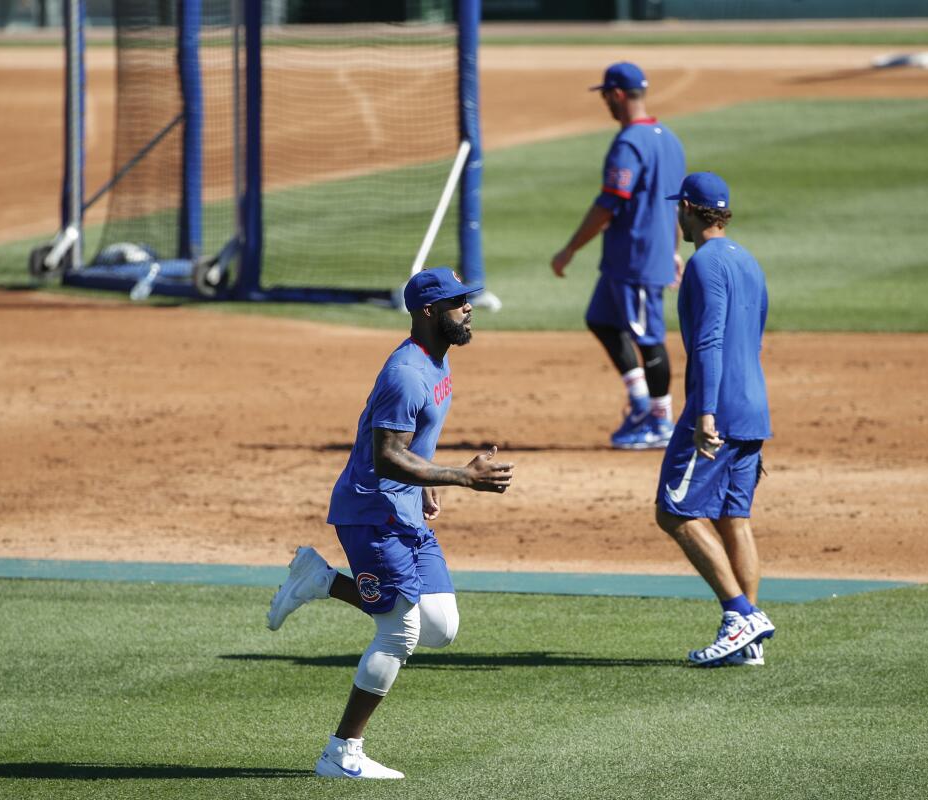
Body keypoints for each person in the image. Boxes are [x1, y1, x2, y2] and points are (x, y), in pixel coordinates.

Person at [264, 267, 515, 779]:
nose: (468, 308)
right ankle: (342, 751)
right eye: (457, 303)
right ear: (428, 312)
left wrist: (422, 483)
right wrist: (459, 478)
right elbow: (384, 457)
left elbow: (408, 444)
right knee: (399, 630)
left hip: (400, 507)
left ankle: (322, 580)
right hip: (370, 511)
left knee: (441, 628)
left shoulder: (435, 360)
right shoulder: (406, 373)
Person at [655, 172, 775, 667]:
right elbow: (756, 336)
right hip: (751, 406)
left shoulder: (704, 264)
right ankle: (747, 644)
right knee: (733, 517)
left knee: (674, 511)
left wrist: (705, 413)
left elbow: (709, 342)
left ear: (687, 207)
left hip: (716, 409)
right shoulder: (749, 261)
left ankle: (739, 615)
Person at [551, 61, 686, 450]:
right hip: (631, 259)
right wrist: (674, 251)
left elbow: (609, 203)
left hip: (636, 259)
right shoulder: (670, 139)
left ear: (618, 94)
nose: (606, 103)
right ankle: (642, 403)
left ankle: (660, 422)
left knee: (648, 339)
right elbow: (676, 205)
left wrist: (570, 249)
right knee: (601, 319)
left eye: (607, 95)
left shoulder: (629, 143)